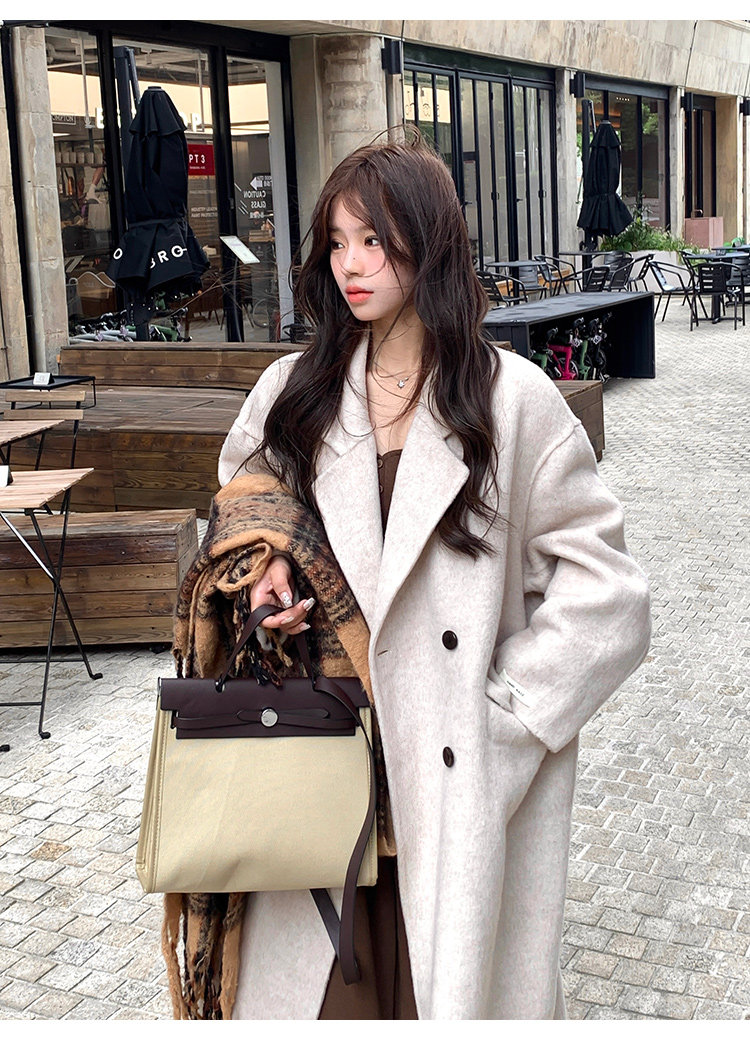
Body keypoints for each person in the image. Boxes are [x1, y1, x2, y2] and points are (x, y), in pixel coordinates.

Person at [216, 132, 651, 1020]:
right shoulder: (295, 392)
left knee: (441, 993)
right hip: (316, 761)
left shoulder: (511, 401)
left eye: (373, 240)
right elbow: (239, 503)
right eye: (337, 242)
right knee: (323, 999)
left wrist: (505, 722)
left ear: (429, 242)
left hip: (449, 779)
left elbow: (609, 596)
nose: (350, 265)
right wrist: (264, 566)